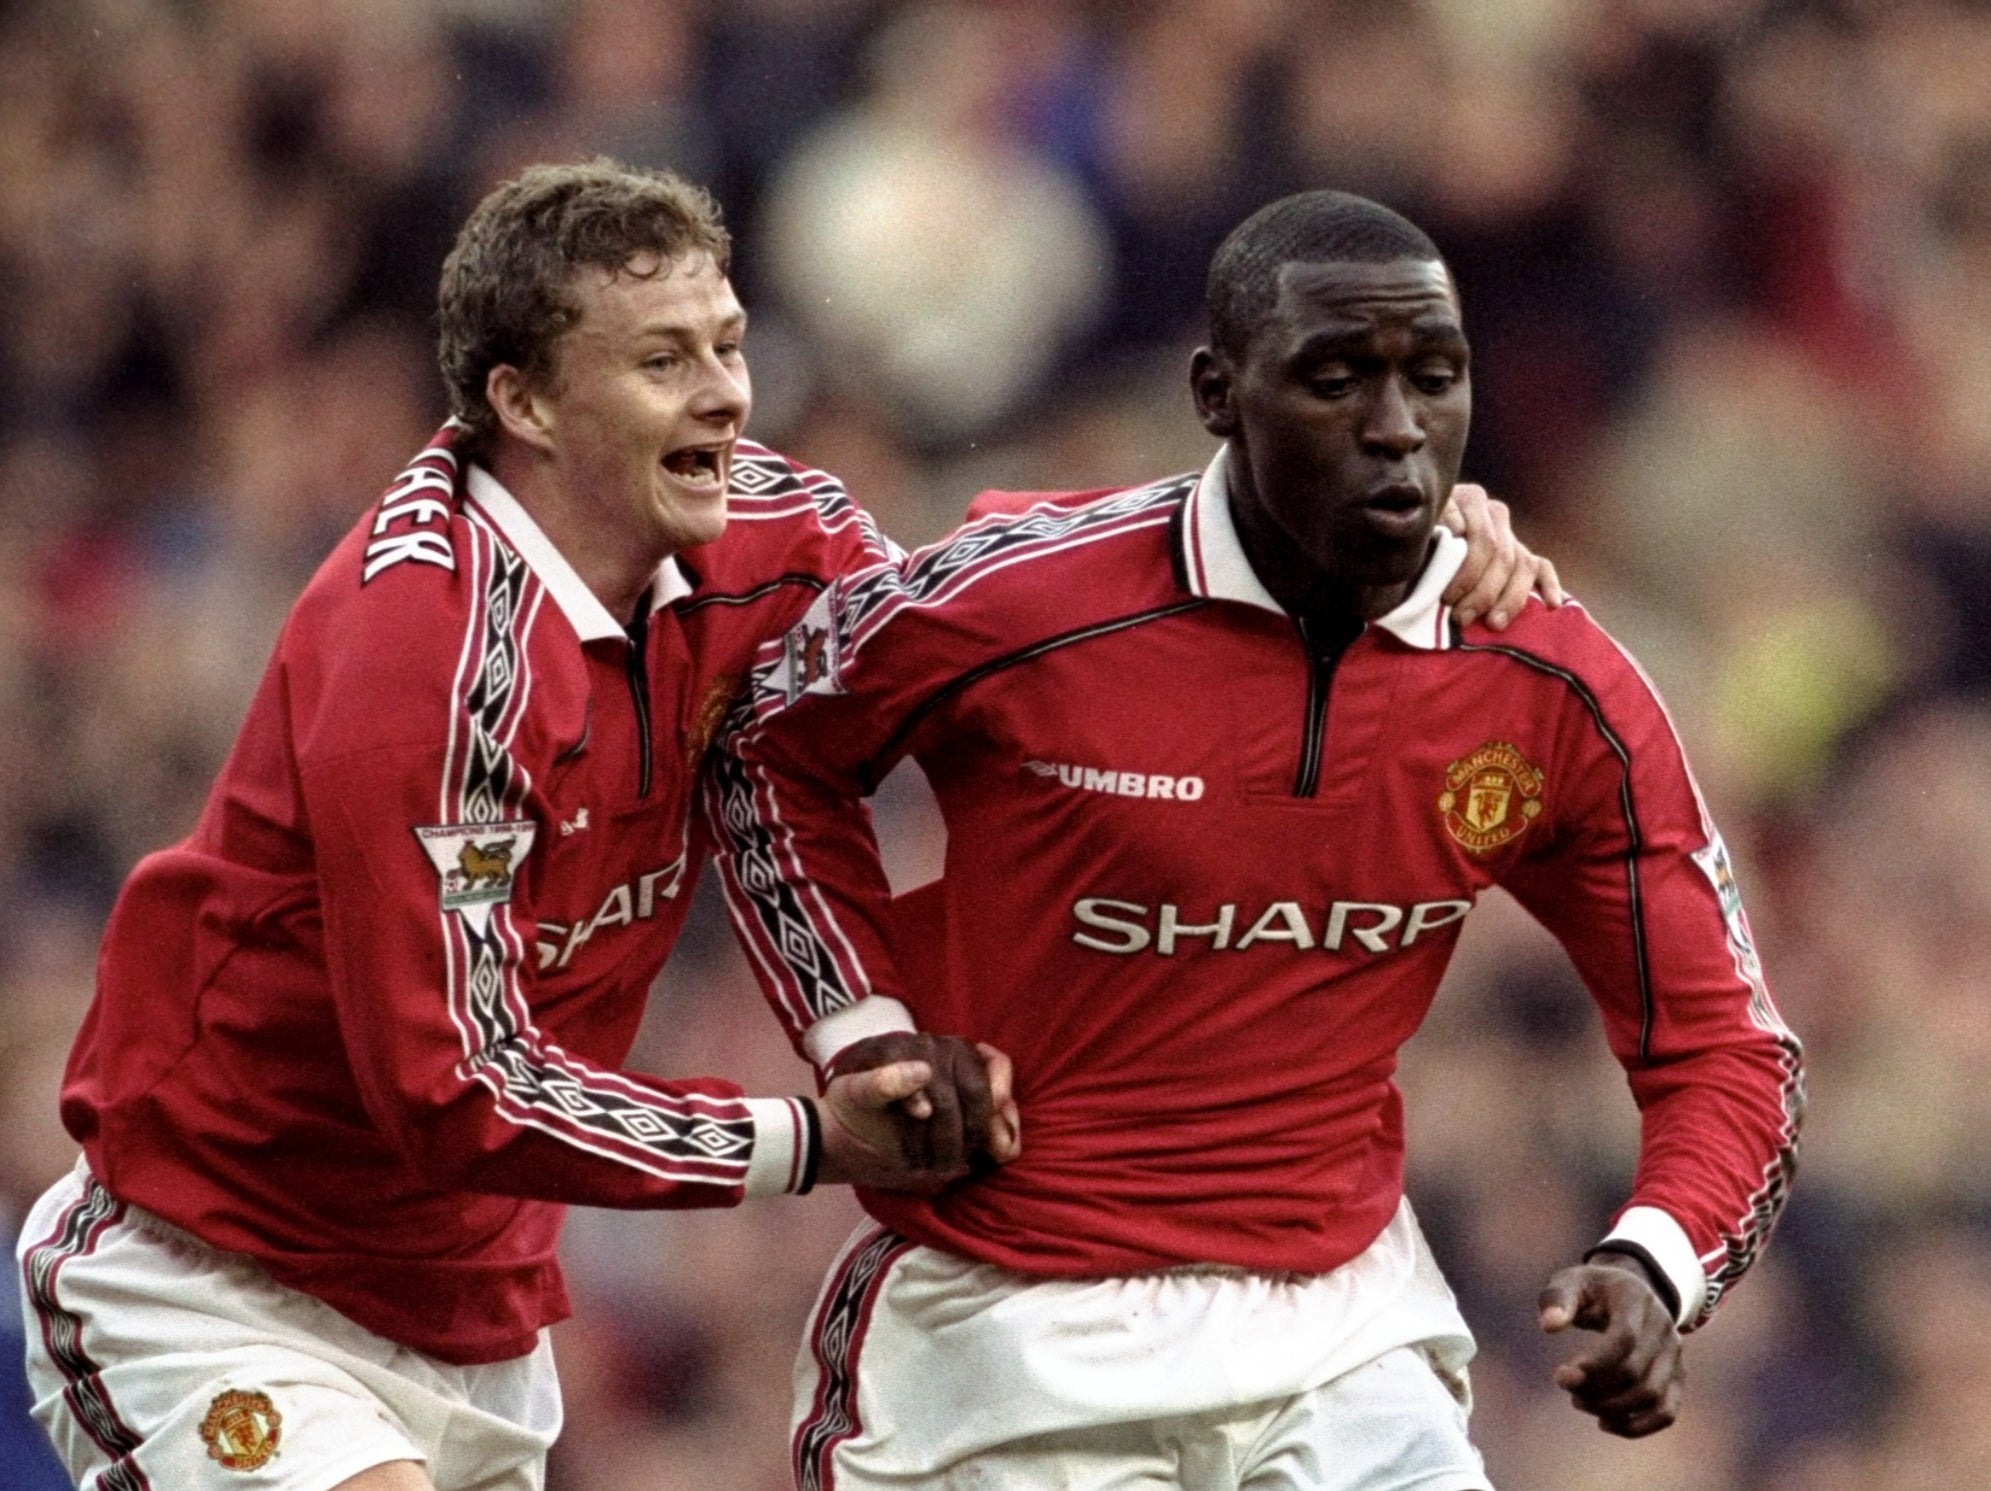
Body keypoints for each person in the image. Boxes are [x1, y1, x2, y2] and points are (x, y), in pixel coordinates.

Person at [12, 162, 1549, 1491]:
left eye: (731, 346)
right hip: (219, 1269)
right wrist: (808, 1137)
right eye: (665, 361)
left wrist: (1375, 526)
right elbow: (458, 1089)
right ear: (523, 402)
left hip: (467, 1304)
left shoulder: (767, 530)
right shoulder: (427, 661)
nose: (726, 395)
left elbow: (1018, 629)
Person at [714, 189, 1805, 1491]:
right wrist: (864, 1031)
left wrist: (1657, 1262)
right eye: (1336, 380)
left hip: (1345, 1339)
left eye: (1434, 380)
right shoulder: (1025, 600)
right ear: (1218, 393)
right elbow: (765, 745)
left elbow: (1728, 1049)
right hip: (1013, 1333)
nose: (1398, 432)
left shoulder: (1546, 681)